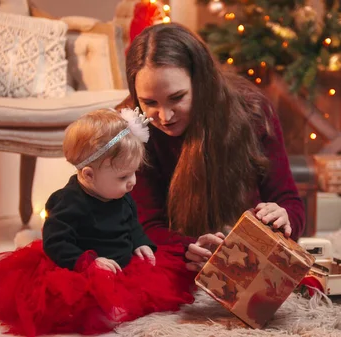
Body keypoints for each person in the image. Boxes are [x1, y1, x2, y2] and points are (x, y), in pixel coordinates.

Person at [0, 109, 197, 336]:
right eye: (124, 176)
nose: (132, 182)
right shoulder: (68, 202)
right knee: (83, 305)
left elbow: (132, 222)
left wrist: (140, 242)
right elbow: (56, 242)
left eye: (134, 173)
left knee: (160, 287)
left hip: (121, 264)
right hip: (82, 267)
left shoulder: (121, 194)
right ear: (89, 175)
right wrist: (88, 262)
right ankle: (102, 308)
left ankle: (117, 301)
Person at [124, 23, 306, 272]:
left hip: (252, 257)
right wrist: (188, 247)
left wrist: (284, 218)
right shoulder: (134, 132)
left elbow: (289, 202)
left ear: (202, 83)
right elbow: (145, 224)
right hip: (183, 266)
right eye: (149, 102)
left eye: (177, 97)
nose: (165, 117)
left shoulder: (253, 112)